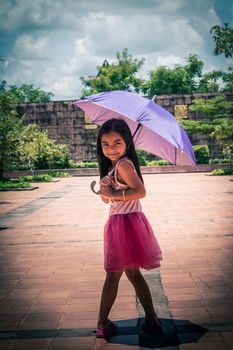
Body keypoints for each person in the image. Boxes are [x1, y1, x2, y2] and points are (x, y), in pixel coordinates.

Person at [95, 118, 163, 339]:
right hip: (122, 223)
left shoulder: (123, 164)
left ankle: (103, 324)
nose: (111, 148)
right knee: (132, 274)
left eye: (117, 142)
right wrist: (106, 188)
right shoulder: (114, 167)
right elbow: (108, 201)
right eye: (105, 144)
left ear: (127, 143)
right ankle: (151, 321)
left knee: (114, 275)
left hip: (125, 224)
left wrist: (113, 193)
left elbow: (140, 192)